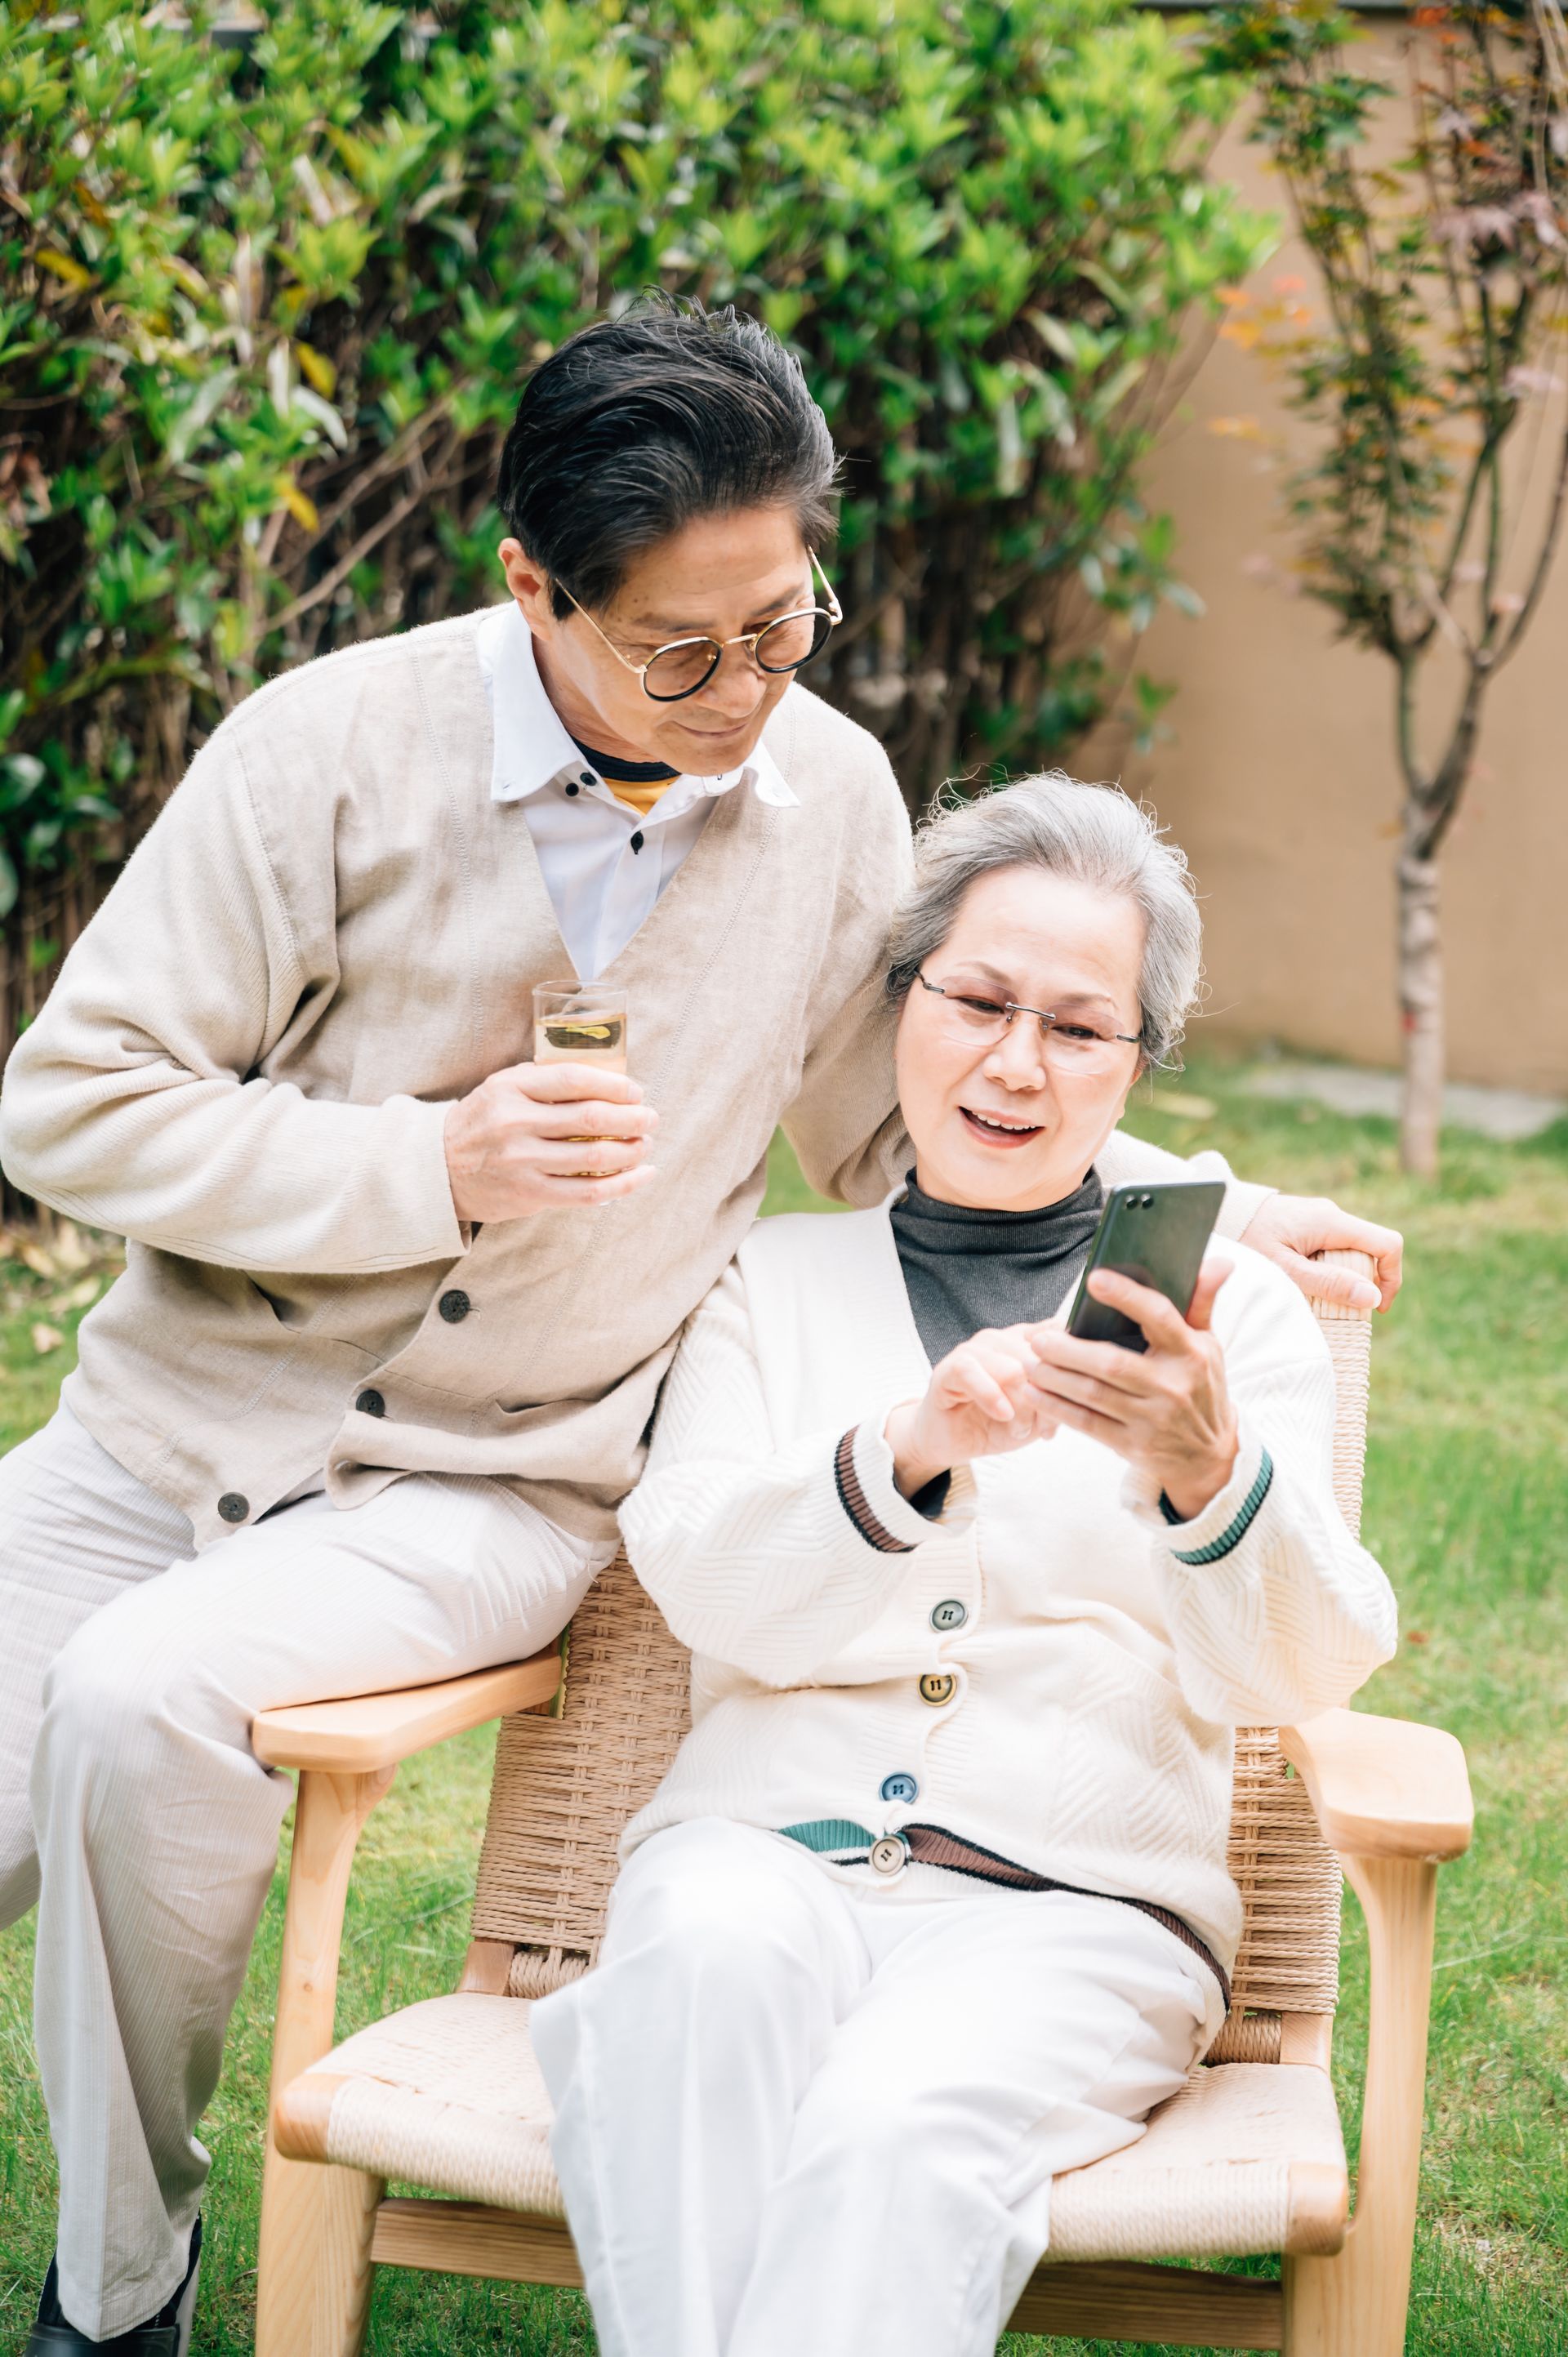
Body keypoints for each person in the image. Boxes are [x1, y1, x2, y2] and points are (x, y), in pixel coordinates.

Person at [0, 299, 1397, 2355]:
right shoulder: (325, 749)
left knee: (135, 1710)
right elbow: (72, 1101)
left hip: (483, 1483)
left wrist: (1214, 1206)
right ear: (532, 591)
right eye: (684, 648)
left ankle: (112, 2292)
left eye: (787, 623)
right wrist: (430, 1167)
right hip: (156, 1440)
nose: (749, 687)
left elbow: (888, 1112)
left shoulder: (828, 799)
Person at [531, 774, 1399, 2357]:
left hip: (1077, 1916)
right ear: (904, 1002)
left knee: (893, 2131)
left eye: (1080, 1028)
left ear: (1136, 1064)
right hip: (752, 1859)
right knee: (688, 1991)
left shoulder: (1230, 1322)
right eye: (979, 1001)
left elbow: (1309, 1666)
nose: (1017, 1064)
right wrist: (904, 1447)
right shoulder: (767, 1287)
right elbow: (701, 1575)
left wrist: (1211, 1473)